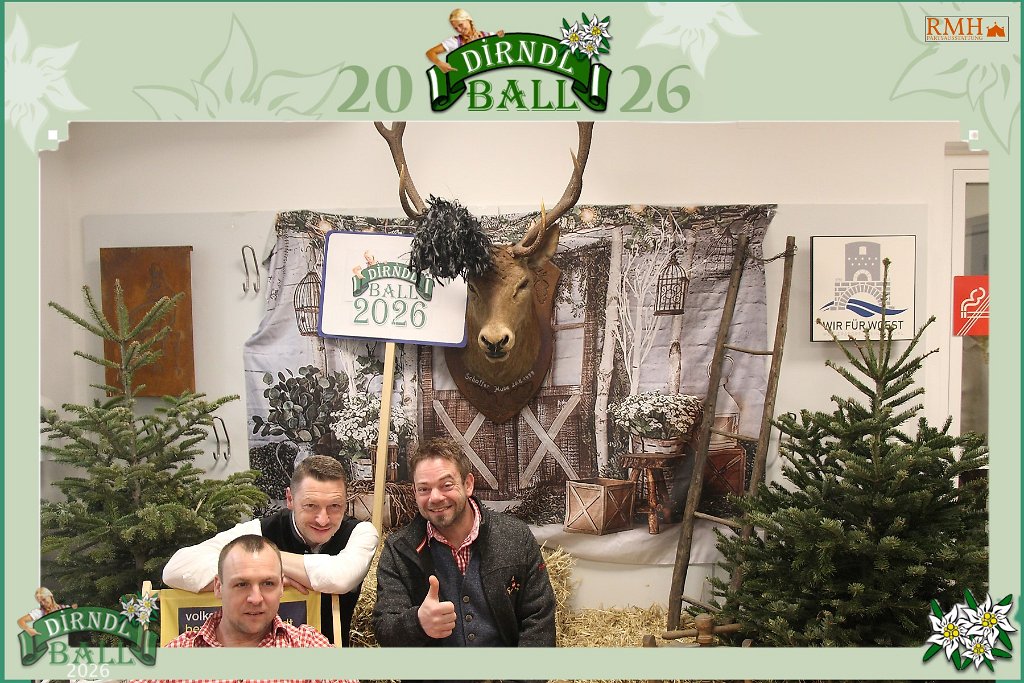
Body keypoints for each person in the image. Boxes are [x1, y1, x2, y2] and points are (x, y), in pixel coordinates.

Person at [163, 455, 377, 646]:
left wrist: (266, 561)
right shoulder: (260, 530)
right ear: (290, 499)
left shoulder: (361, 533)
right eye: (310, 506)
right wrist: (262, 575)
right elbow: (176, 569)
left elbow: (339, 577)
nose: (323, 519)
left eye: (335, 506)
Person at [372, 437, 555, 648]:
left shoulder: (515, 537)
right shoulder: (398, 550)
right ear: (414, 492)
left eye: (446, 485)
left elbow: (539, 619)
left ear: (468, 484)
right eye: (424, 489)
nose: (435, 497)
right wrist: (418, 623)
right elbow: (384, 629)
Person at [135, 536, 355, 683]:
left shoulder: (307, 647)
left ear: (281, 587)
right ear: (218, 587)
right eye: (241, 584)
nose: (255, 598)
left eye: (268, 584)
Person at [426, 8, 505, 73]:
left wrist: (501, 36)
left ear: (469, 20)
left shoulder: (488, 35)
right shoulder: (454, 42)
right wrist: (440, 64)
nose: (459, 30)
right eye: (456, 28)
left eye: (460, 25)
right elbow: (430, 52)